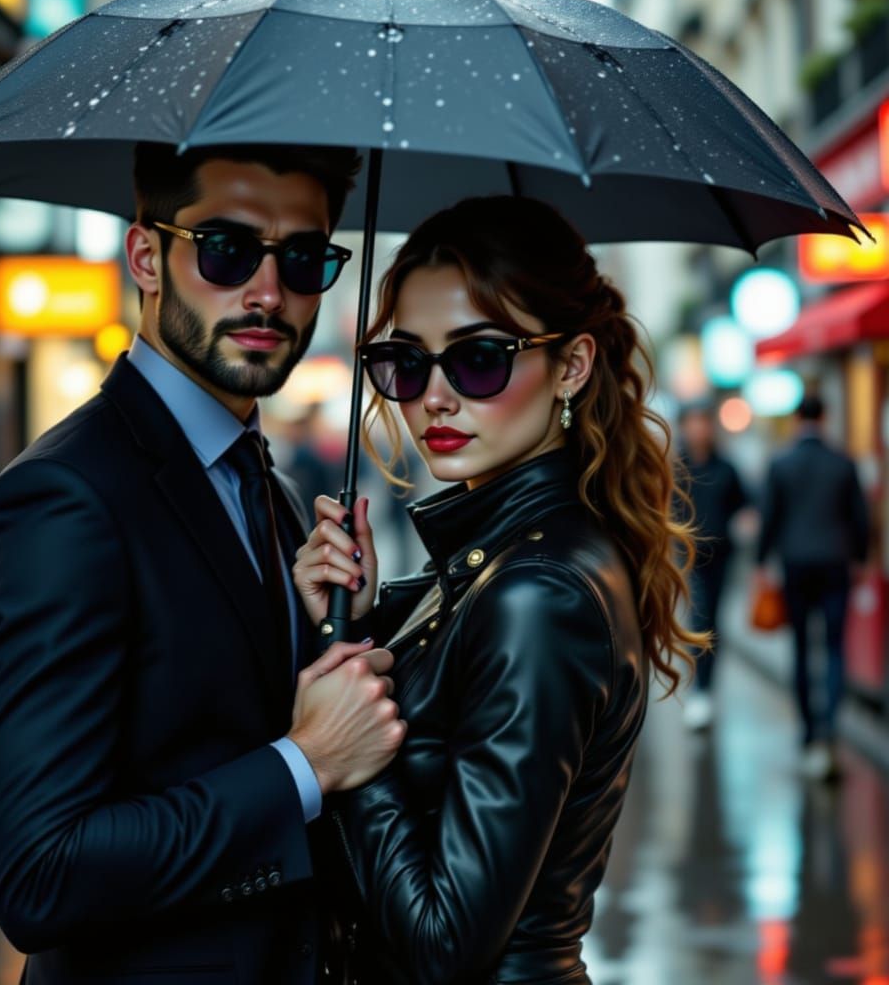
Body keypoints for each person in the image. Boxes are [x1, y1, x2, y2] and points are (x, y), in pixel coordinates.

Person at [0, 142, 407, 985]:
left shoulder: (260, 486)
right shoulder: (62, 501)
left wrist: (319, 632)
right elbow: (39, 875)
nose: (268, 293)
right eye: (227, 249)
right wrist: (302, 767)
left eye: (303, 259)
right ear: (146, 255)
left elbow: (213, 720)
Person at [293, 196, 704, 984]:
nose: (435, 397)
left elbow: (446, 944)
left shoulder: (538, 595)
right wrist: (358, 623)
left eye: (478, 358)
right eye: (405, 363)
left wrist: (350, 752)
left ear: (572, 367)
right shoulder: (495, 568)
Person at [756, 394, 869, 780]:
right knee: (835, 647)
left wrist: (760, 564)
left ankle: (807, 732)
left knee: (802, 648)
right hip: (836, 564)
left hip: (795, 564)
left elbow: (768, 518)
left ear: (796, 419)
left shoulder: (781, 463)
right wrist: (860, 560)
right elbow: (861, 521)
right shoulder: (843, 463)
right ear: (826, 417)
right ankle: (829, 731)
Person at [676, 399, 749, 730]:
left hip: (722, 556)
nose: (698, 429)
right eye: (692, 422)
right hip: (689, 557)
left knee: (713, 623)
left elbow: (745, 504)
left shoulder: (726, 467)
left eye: (702, 422)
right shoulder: (677, 468)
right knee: (698, 618)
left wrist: (746, 521)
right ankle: (700, 692)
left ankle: (707, 689)